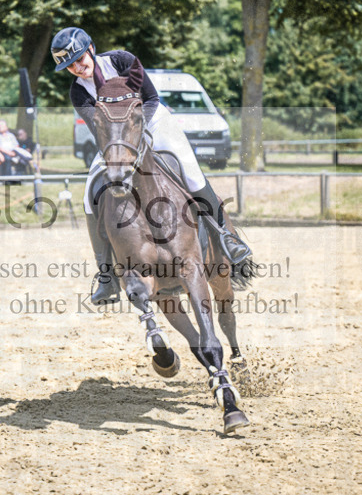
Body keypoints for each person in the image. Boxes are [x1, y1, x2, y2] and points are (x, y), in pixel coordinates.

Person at [51, 26, 251, 305]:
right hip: (116, 141)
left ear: (91, 50)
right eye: (69, 65)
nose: (76, 67)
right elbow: (99, 131)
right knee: (88, 195)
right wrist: (119, 147)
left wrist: (139, 131)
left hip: (155, 123)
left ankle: (227, 238)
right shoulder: (78, 92)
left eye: (79, 59)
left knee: (191, 174)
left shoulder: (121, 61)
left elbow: (152, 98)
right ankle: (107, 276)